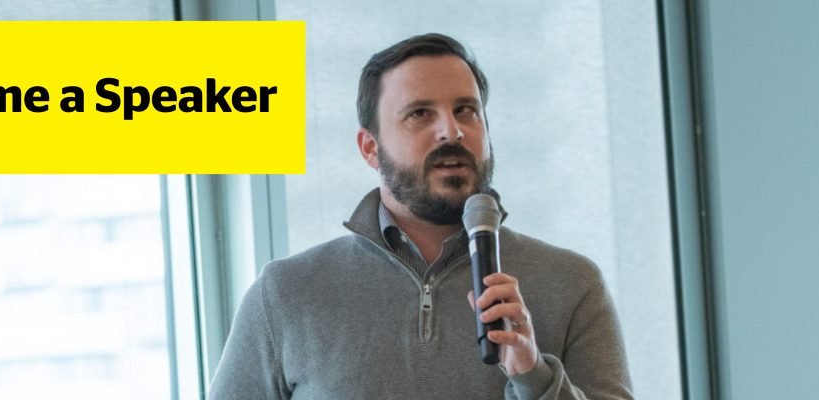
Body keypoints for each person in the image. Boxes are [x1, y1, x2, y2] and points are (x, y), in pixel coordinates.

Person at [207, 33, 632, 399]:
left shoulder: (571, 283)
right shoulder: (286, 293)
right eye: (420, 114)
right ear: (370, 148)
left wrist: (533, 375)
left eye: (466, 110)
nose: (452, 131)